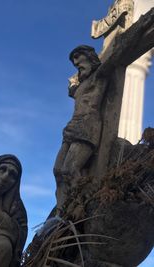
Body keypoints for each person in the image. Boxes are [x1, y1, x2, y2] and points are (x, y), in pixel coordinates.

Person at [53, 45, 107, 213]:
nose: (76, 63)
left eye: (78, 57)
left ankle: (81, 208)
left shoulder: (100, 74)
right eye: (74, 60)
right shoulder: (79, 86)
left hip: (87, 124)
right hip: (71, 126)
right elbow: (72, 91)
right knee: (58, 171)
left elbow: (120, 53)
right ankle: (61, 212)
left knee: (70, 169)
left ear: (90, 56)